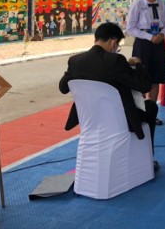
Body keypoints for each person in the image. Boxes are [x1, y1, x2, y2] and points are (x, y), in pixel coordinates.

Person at [59, 22, 159, 168]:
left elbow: (63, 88)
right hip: (118, 120)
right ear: (113, 42)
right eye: (117, 45)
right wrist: (138, 65)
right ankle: (147, 159)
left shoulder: (75, 61)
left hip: (90, 118)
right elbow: (144, 86)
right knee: (151, 106)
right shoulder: (116, 61)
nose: (116, 49)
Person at [127, 0, 165, 126]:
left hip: (158, 43)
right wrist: (149, 37)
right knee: (140, 78)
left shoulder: (162, 4)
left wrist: (161, 35)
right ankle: (140, 113)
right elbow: (130, 28)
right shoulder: (138, 5)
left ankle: (152, 114)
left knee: (155, 78)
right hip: (143, 44)